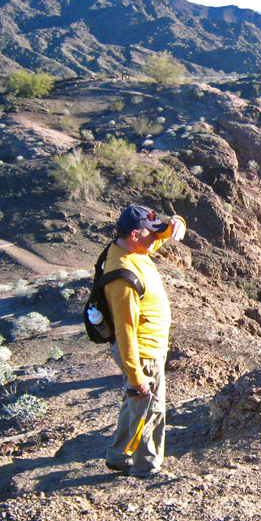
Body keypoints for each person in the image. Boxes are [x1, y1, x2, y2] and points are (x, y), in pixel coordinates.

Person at [104, 204, 186, 478]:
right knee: (150, 409)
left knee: (135, 404)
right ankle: (145, 467)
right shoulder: (123, 274)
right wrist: (136, 374)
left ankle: (119, 455)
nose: (157, 240)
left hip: (149, 348)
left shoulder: (133, 247)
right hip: (142, 351)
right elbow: (124, 330)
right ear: (136, 234)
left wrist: (176, 222)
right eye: (152, 234)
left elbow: (164, 233)